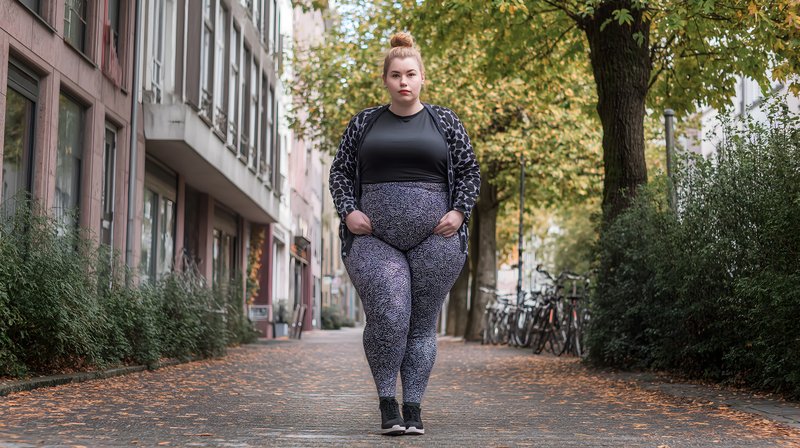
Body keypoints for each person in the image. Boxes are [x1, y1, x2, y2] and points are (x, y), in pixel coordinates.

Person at [329, 31, 480, 436]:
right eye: (395, 75)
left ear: (422, 78)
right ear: (385, 80)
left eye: (411, 74)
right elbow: (340, 171)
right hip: (374, 239)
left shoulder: (445, 121)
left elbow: (468, 172)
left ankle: (412, 408)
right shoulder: (364, 122)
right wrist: (349, 212)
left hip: (438, 239)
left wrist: (460, 212)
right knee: (390, 313)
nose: (404, 82)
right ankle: (386, 403)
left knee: (421, 323)